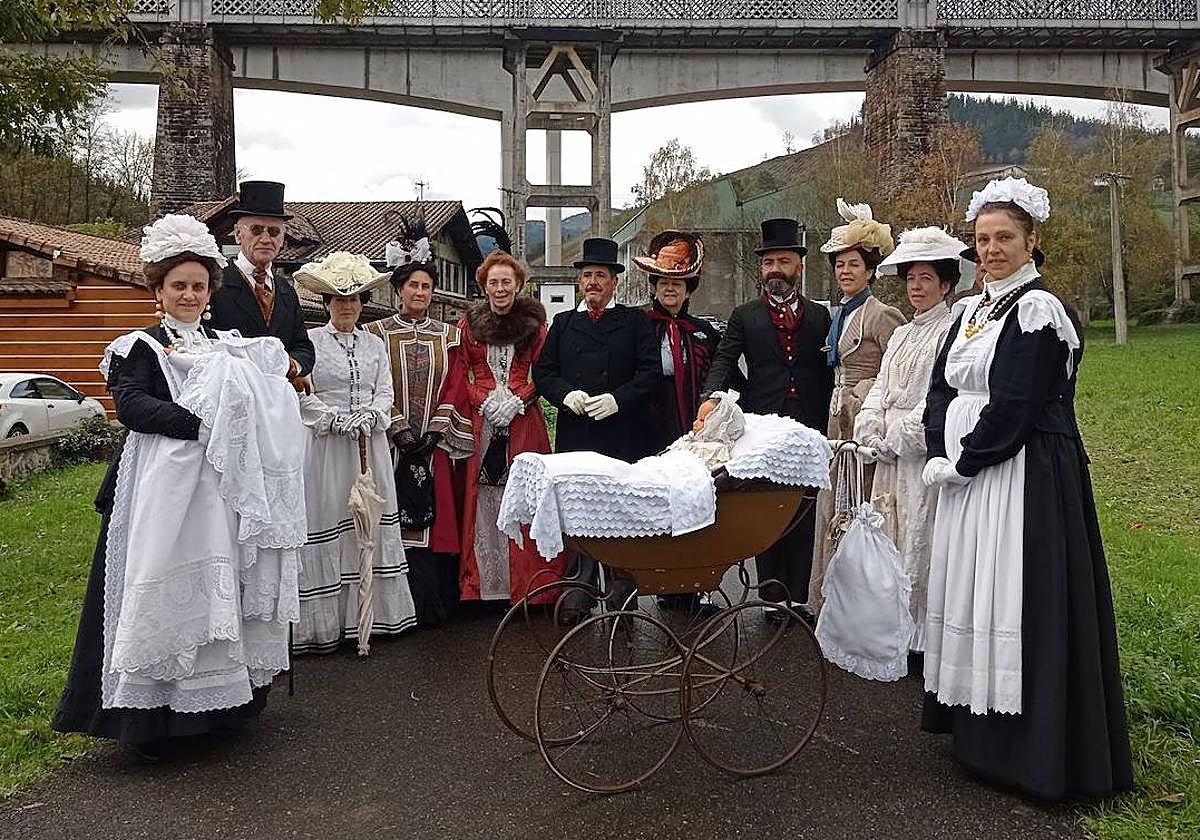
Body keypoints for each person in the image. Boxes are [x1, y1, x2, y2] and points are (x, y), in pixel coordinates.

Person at [53, 214, 305, 760]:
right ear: (158, 291)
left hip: (218, 487)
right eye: (178, 285)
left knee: (223, 586)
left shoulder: (224, 345)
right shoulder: (137, 346)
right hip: (158, 487)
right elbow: (133, 405)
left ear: (210, 291)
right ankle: (154, 719)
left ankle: (221, 707)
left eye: (198, 286)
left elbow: (266, 389)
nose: (189, 295)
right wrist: (202, 425)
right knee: (160, 579)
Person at [920, 177, 1132, 800]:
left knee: (1015, 591)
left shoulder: (1038, 310)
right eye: (983, 239)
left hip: (1022, 473)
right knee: (973, 588)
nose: (991, 249)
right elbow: (941, 390)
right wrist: (939, 449)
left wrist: (963, 462)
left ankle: (1030, 751)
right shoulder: (969, 311)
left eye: (1005, 237)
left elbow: (1016, 402)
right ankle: (977, 734)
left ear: (1032, 241)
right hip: (969, 473)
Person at [701, 218, 833, 621]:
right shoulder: (745, 315)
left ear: (800, 266)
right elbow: (725, 357)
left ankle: (798, 597)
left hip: (809, 421)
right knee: (768, 507)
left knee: (804, 508)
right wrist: (711, 397)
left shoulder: (820, 315)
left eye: (784, 261)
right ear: (761, 269)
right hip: (765, 422)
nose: (776, 269)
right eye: (769, 262)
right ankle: (771, 597)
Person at [292, 252, 417, 653]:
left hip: (369, 445)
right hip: (328, 448)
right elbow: (300, 393)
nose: (346, 306)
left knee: (369, 521)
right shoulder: (310, 342)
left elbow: (386, 392)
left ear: (362, 305)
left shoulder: (375, 345)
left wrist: (371, 415)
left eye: (353, 299)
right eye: (338, 299)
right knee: (331, 515)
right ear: (326, 304)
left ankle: (373, 618)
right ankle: (327, 624)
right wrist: (331, 419)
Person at [533, 236, 660, 621]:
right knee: (579, 513)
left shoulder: (635, 322)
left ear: (614, 282)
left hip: (621, 435)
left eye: (600, 275)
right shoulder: (563, 323)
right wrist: (565, 394)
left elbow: (651, 373)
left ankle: (623, 595)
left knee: (620, 516)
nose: (592, 282)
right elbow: (543, 372)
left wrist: (618, 399)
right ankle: (579, 591)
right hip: (578, 435)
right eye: (587, 275)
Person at [853, 227, 962, 652]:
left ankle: (919, 636)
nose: (916, 287)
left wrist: (900, 436)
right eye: (912, 279)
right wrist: (870, 424)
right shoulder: (901, 333)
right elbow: (881, 384)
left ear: (946, 284)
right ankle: (887, 627)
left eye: (927, 280)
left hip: (917, 454)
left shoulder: (948, 331)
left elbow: (939, 395)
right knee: (888, 534)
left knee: (919, 534)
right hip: (886, 453)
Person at [443, 251, 565, 603]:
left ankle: (528, 584)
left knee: (526, 494)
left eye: (506, 282)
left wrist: (520, 398)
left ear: (518, 285)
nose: (500, 288)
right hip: (481, 420)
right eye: (493, 282)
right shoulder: (469, 325)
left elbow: (545, 371)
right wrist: (481, 399)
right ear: (484, 286)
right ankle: (482, 584)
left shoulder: (534, 325)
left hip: (523, 420)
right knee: (481, 496)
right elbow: (457, 369)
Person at [364, 245, 473, 627]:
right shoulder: (375, 333)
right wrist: (397, 427)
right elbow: (372, 382)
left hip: (433, 445)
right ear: (399, 290)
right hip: (392, 443)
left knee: (434, 518)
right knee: (390, 515)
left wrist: (436, 430)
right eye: (413, 285)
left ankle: (433, 603)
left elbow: (457, 384)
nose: (420, 293)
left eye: (427, 286)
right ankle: (392, 605)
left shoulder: (448, 336)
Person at [808, 199, 906, 615]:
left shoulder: (882, 314)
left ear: (869, 271)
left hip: (862, 419)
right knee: (833, 501)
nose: (844, 271)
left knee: (859, 502)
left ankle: (863, 602)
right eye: (839, 265)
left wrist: (865, 393)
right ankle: (832, 597)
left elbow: (898, 370)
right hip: (836, 418)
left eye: (853, 264)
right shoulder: (840, 314)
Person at [208, 180, 315, 392]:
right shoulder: (215, 285)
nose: (266, 239)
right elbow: (208, 344)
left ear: (283, 239)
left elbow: (303, 346)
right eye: (256, 230)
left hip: (278, 403)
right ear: (238, 235)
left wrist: (293, 367)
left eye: (274, 232)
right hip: (232, 396)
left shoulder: (287, 291)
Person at [634, 230, 721, 452]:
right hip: (648, 415)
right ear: (655, 289)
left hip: (692, 413)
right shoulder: (639, 327)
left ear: (688, 292)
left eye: (677, 283)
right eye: (664, 283)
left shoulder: (704, 332)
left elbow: (722, 373)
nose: (670, 288)